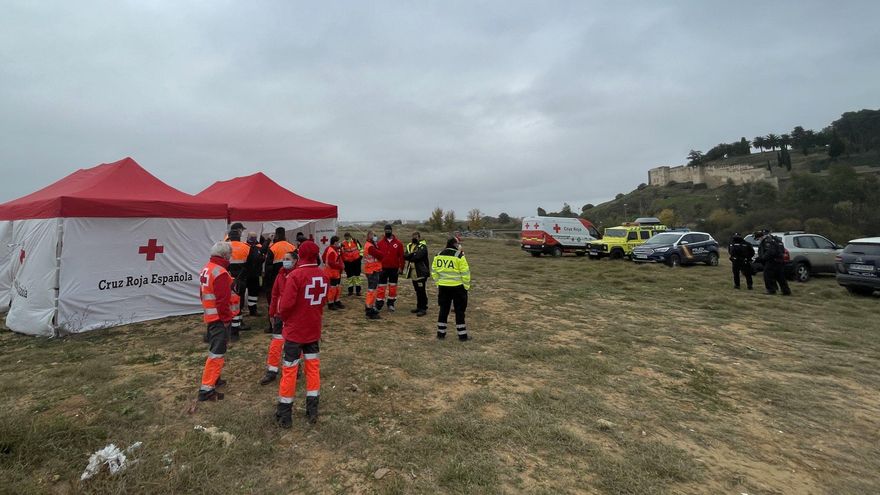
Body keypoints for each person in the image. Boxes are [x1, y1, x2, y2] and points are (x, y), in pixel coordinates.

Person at [275, 240, 328, 428]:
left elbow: (286, 306)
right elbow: (323, 302)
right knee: (313, 370)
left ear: (301, 255)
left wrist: (285, 319)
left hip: (295, 331)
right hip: (313, 330)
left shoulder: (296, 276)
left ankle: (285, 413)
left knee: (289, 370)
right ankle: (312, 409)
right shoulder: (323, 275)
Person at [197, 242, 239, 401]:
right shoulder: (220, 272)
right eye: (230, 254)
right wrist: (227, 319)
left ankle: (215, 378)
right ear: (225, 255)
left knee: (216, 349)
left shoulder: (207, 268)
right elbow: (222, 300)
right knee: (217, 352)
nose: (231, 257)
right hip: (219, 318)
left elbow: (203, 294)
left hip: (211, 315)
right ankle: (206, 389)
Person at [260, 251, 295, 386]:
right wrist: (272, 313)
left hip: (293, 316)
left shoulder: (297, 275)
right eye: (284, 259)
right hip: (280, 314)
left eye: (288, 259)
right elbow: (274, 295)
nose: (285, 261)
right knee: (276, 343)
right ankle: (272, 370)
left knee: (293, 344)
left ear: (295, 261)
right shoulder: (280, 275)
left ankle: (295, 367)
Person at [431, 238, 471, 341]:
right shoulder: (459, 256)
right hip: (458, 287)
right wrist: (466, 287)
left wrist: (438, 283)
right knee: (459, 311)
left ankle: (440, 334)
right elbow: (465, 273)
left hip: (443, 287)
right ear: (454, 244)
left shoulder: (438, 255)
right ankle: (462, 336)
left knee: (443, 310)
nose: (459, 245)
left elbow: (434, 271)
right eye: (458, 243)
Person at [264, 227, 297, 316]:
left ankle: (273, 321)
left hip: (275, 278)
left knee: (274, 299)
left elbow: (268, 267)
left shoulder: (272, 248)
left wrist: (267, 283)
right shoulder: (292, 247)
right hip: (291, 277)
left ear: (276, 235)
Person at [226, 229, 252, 337]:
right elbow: (250, 264)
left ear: (229, 237)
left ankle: (231, 322)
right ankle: (239, 322)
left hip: (227, 277)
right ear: (239, 237)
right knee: (239, 301)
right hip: (241, 278)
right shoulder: (246, 247)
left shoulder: (224, 246)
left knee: (228, 301)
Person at [376, 224, 404, 312]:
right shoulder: (380, 243)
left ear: (391, 231)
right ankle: (379, 303)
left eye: (389, 230)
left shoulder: (398, 243)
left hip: (394, 268)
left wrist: (401, 267)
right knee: (381, 286)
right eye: (386, 230)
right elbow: (377, 257)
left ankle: (391, 303)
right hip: (383, 268)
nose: (387, 232)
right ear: (384, 231)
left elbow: (401, 257)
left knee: (393, 287)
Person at [756, 230, 791, 296]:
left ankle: (771, 290)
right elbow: (782, 250)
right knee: (780, 277)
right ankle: (786, 291)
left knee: (767, 276)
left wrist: (762, 258)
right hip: (779, 261)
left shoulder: (768, 241)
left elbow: (770, 252)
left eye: (758, 238)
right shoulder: (776, 240)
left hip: (771, 261)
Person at [404, 231, 429, 316]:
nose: (414, 238)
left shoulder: (423, 246)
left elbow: (418, 256)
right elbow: (405, 256)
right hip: (413, 271)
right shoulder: (409, 245)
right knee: (417, 290)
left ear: (419, 237)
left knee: (421, 290)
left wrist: (411, 255)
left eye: (416, 236)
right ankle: (419, 306)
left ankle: (423, 308)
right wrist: (412, 254)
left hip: (421, 271)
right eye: (413, 236)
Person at [362, 230, 384, 319]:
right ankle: (369, 309)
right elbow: (380, 255)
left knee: (372, 290)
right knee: (372, 290)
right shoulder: (370, 246)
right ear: (370, 236)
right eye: (374, 235)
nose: (376, 237)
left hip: (371, 270)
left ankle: (369, 306)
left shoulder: (370, 245)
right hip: (372, 270)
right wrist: (377, 246)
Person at [322, 235, 345, 310]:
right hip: (331, 273)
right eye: (338, 242)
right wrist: (340, 266)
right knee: (332, 288)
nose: (339, 243)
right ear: (335, 242)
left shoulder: (334, 249)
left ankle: (336, 301)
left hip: (335, 272)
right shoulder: (331, 250)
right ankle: (331, 303)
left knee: (337, 287)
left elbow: (323, 257)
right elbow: (331, 263)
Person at [245, 232, 264, 315]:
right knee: (243, 293)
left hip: (255, 274)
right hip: (245, 273)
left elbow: (262, 258)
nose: (253, 238)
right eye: (251, 237)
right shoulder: (244, 246)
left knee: (253, 292)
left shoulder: (259, 247)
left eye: (254, 237)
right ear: (248, 237)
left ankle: (253, 310)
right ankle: (241, 310)